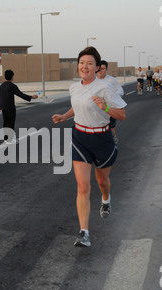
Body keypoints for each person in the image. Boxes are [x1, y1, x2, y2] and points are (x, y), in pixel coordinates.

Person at [52, 47, 127, 248]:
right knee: (83, 186)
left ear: (96, 67)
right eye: (82, 63)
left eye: (90, 63)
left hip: (102, 139)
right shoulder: (74, 88)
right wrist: (64, 116)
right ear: (78, 66)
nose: (85, 66)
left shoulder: (105, 88)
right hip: (80, 138)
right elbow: (77, 107)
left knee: (102, 181)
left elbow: (121, 115)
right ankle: (84, 233)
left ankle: (106, 199)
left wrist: (106, 108)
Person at [0, 69, 38, 144]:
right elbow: (20, 94)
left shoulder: (1, 86)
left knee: (5, 123)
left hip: (3, 107)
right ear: (12, 77)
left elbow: (0, 97)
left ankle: (6, 139)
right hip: (10, 107)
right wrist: (32, 97)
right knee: (11, 123)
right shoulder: (12, 86)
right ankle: (10, 139)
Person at [96, 60, 124, 144]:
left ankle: (113, 139)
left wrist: (112, 97)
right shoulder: (94, 81)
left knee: (111, 126)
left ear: (106, 69)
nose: (100, 71)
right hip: (98, 109)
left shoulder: (112, 80)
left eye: (102, 69)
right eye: (99, 69)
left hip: (110, 108)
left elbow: (120, 91)